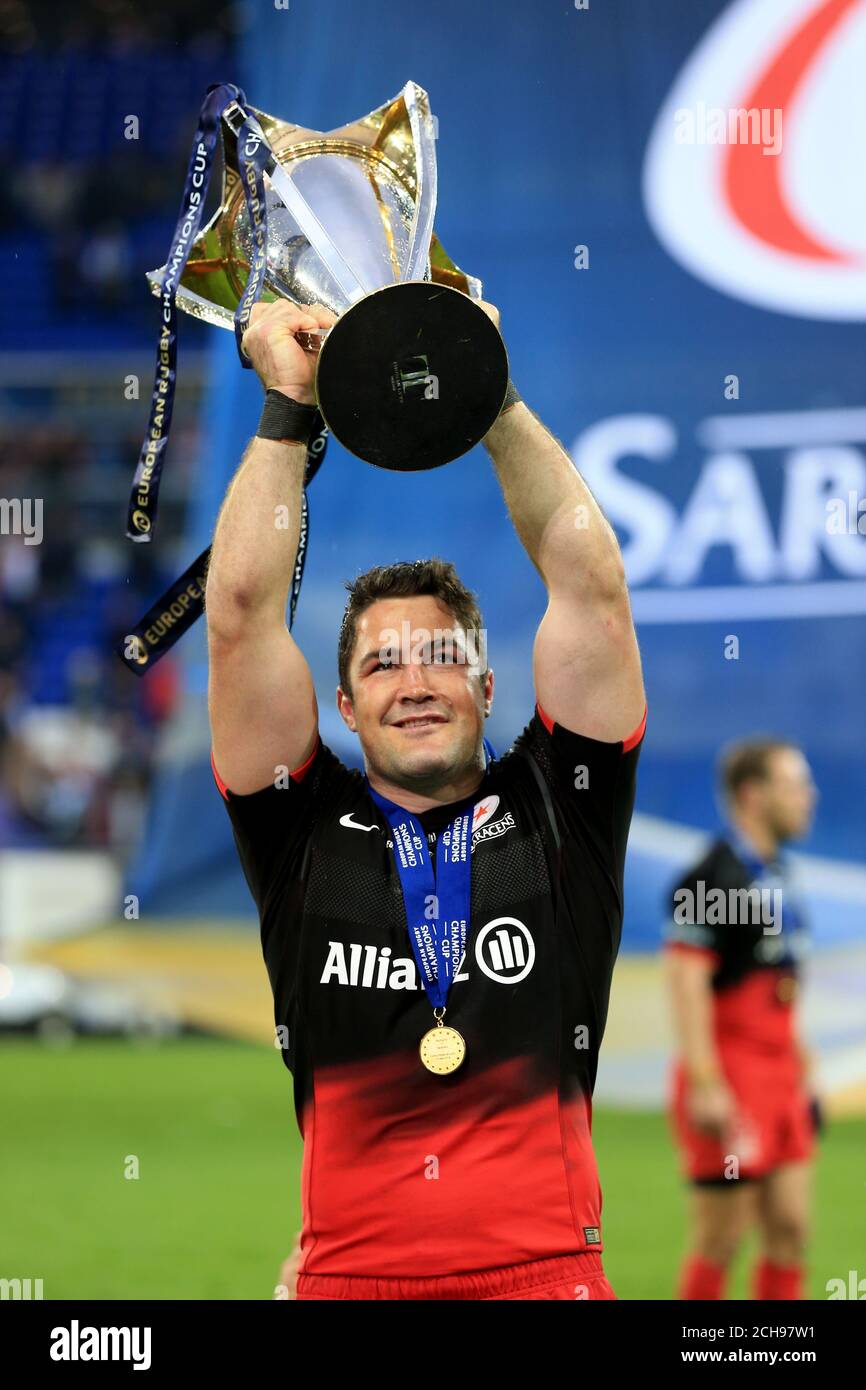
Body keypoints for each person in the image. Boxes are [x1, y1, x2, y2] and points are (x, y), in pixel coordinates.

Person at [206, 297, 646, 1301]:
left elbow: (589, 585)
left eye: (442, 656)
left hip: (546, 1277)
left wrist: (484, 389)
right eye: (384, 664)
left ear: (487, 688)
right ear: (345, 706)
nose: (415, 680)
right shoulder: (295, 825)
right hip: (348, 1281)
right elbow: (238, 618)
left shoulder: (560, 803)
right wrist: (285, 408)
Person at [664, 738, 820, 1301]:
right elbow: (686, 982)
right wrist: (706, 1083)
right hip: (732, 1076)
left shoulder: (778, 871)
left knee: (791, 1227)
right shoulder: (712, 876)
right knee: (721, 1236)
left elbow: (779, 979)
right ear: (753, 794)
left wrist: (799, 1055)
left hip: (781, 1078)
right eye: (796, 785)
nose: (810, 797)